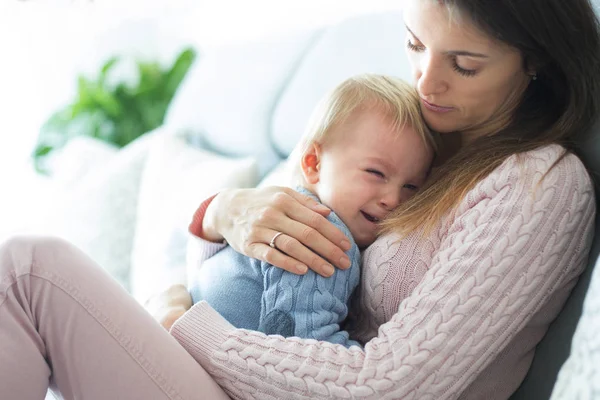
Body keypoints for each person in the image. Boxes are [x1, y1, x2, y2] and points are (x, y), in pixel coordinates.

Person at [1, 0, 599, 399]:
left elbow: (390, 387)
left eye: (464, 66)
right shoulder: (395, 130)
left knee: (28, 271)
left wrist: (190, 329)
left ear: (536, 67)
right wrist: (217, 214)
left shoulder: (538, 186)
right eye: (415, 45)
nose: (426, 83)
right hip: (223, 372)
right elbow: (238, 268)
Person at [187, 74, 434, 347]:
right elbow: (302, 348)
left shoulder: (281, 205)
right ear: (314, 163)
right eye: (375, 173)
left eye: (411, 187)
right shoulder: (323, 236)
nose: (393, 199)